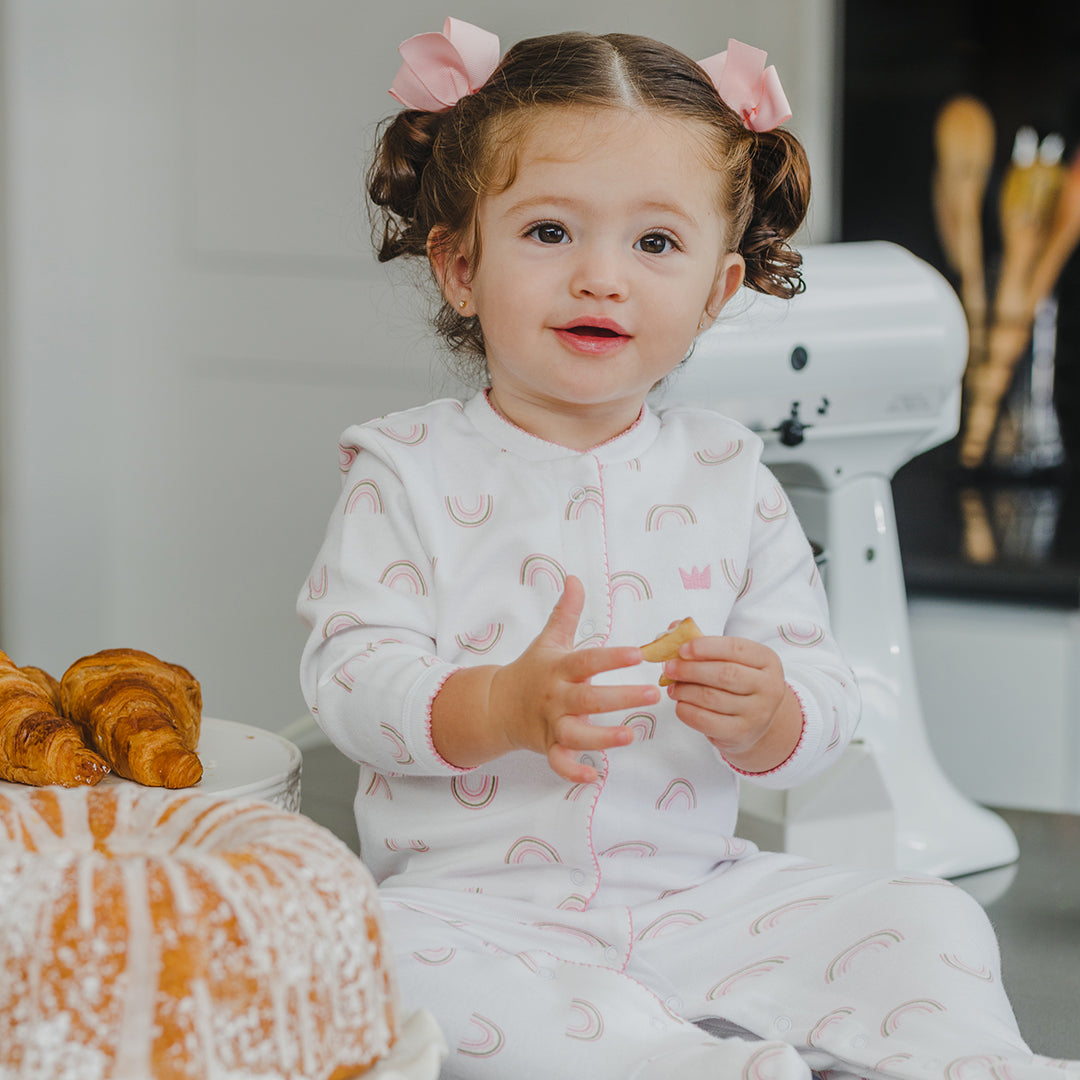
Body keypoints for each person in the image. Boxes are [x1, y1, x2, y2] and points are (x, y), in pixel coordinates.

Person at [298, 19, 1076, 1079]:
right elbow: (350, 679)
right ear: (460, 265)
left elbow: (829, 693)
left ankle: (971, 1062)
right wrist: (498, 708)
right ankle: (687, 1063)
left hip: (702, 900)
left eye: (655, 243)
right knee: (370, 960)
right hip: (477, 916)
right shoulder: (407, 469)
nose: (601, 278)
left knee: (924, 915)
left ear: (718, 291)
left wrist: (773, 716)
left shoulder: (728, 473)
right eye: (549, 233)